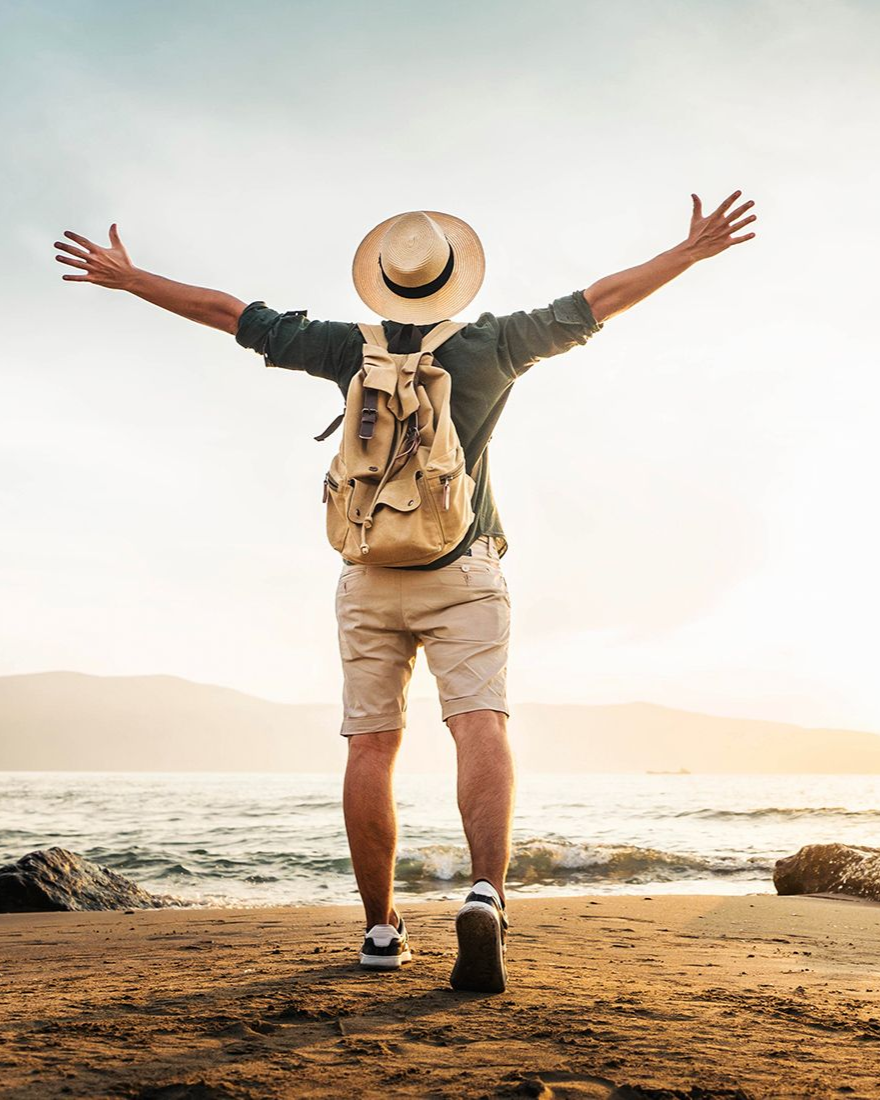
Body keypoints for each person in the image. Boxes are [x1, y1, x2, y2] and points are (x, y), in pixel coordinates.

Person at [54, 191, 757, 992]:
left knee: (370, 745)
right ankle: (487, 893)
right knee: (479, 725)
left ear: (384, 281)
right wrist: (686, 253)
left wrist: (130, 277)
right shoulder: (497, 343)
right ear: (454, 277)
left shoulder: (343, 348)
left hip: (368, 575)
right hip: (463, 569)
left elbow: (227, 312)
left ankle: (380, 931)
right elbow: (599, 300)